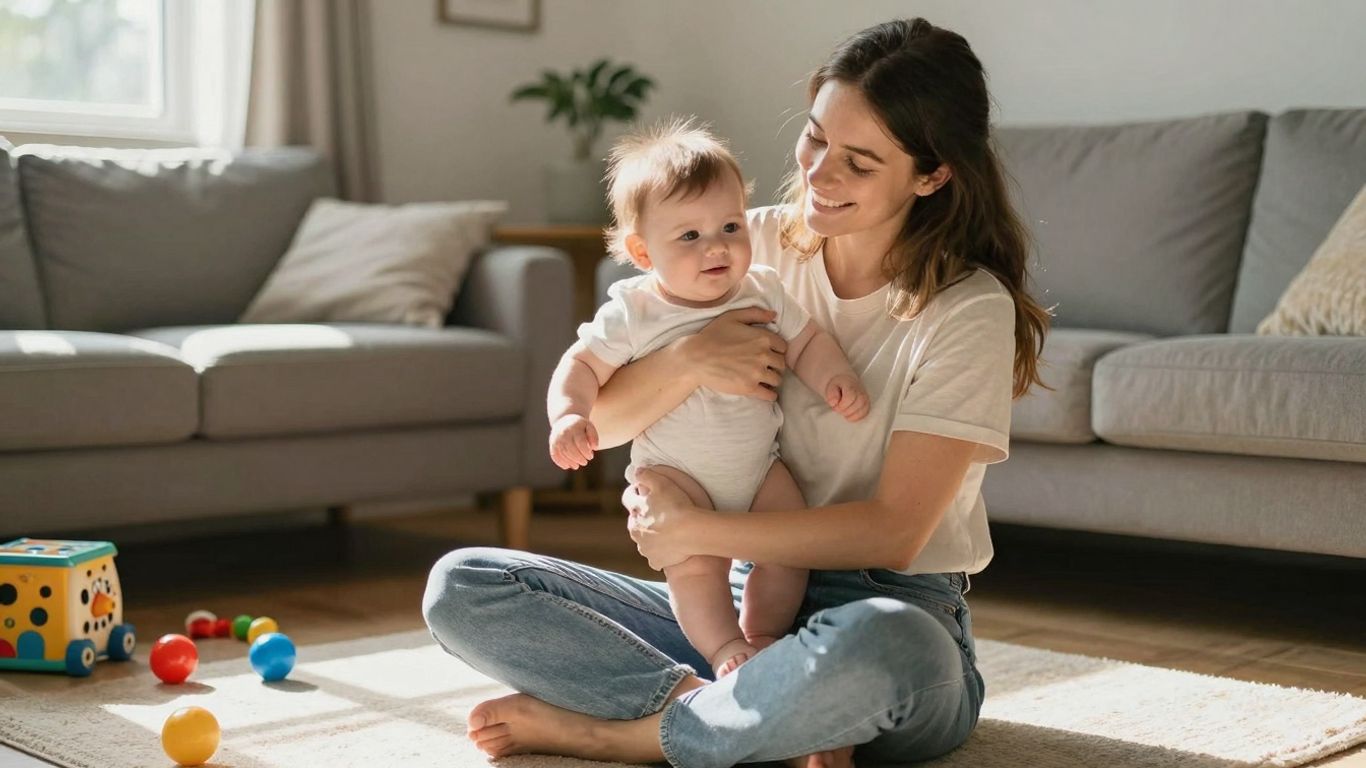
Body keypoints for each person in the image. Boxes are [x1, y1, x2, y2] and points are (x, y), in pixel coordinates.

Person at [423, 17, 1050, 768]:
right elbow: (610, 421)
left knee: (892, 646)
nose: (818, 175)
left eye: (858, 161)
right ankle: (749, 712)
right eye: (815, 138)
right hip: (734, 610)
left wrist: (698, 533)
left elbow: (893, 533)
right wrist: (689, 359)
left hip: (890, 604)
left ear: (932, 174)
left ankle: (626, 734)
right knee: (465, 587)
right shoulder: (739, 247)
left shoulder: (967, 307)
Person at [547, 118, 870, 679]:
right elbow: (579, 365)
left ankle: (764, 635)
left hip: (758, 467)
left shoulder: (762, 288)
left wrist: (833, 378)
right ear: (643, 253)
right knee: (695, 568)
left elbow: (808, 341)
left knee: (789, 541)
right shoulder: (635, 311)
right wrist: (569, 415)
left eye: (729, 226)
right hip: (678, 477)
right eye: (689, 237)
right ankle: (723, 648)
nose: (716, 248)